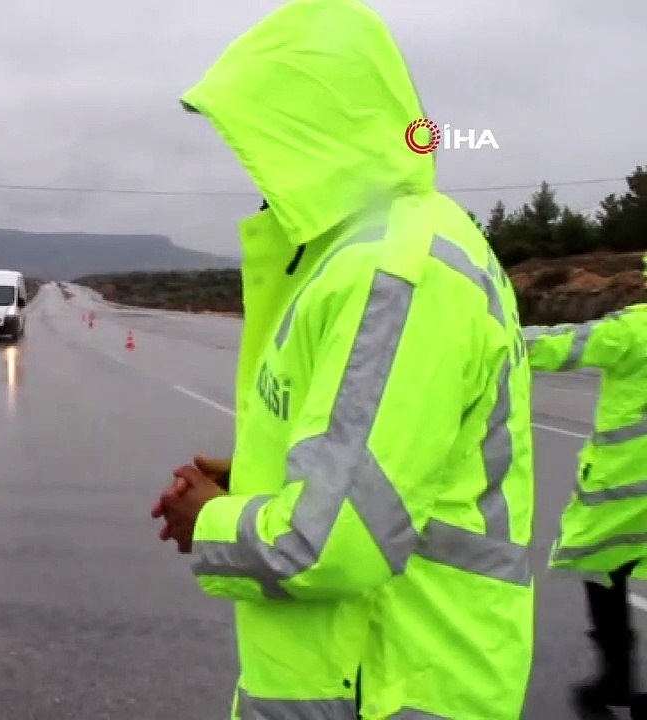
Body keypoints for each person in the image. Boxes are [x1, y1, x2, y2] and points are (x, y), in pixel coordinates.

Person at [150, 0, 535, 716]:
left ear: (316, 132)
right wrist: (254, 478)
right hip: (362, 677)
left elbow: (336, 541)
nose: (251, 163)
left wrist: (208, 520)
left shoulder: (392, 276)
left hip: (384, 683)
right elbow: (394, 465)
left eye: (261, 136)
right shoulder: (376, 252)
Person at [525, 289, 647, 719]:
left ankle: (616, 679)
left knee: (601, 570)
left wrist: (488, 332)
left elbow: (558, 347)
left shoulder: (634, 329)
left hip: (626, 495)